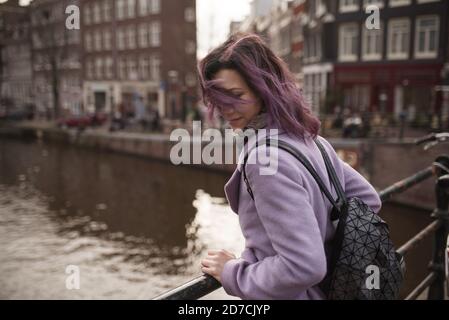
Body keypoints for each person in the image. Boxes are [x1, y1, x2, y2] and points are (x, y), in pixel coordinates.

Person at [198, 33, 381, 300]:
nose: (227, 108)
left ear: (264, 89)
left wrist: (232, 272)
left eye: (236, 95)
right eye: (220, 98)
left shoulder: (265, 160)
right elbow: (369, 201)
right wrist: (330, 247)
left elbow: (303, 266)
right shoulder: (311, 140)